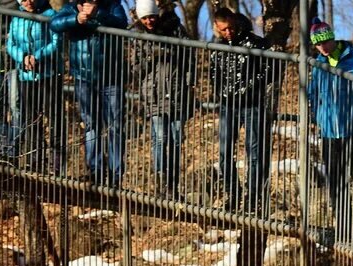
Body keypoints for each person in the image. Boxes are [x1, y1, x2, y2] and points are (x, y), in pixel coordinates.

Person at [307, 18, 353, 238]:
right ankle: (344, 229)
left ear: (332, 38)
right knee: (336, 181)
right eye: (318, 45)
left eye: (325, 42)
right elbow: (313, 94)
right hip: (329, 133)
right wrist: (317, 117)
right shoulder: (319, 64)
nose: (323, 47)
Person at [50, 0, 128, 187]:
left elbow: (122, 23)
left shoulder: (112, 5)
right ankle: (96, 171)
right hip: (83, 76)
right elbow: (54, 23)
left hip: (112, 76)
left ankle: (116, 175)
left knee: (115, 126)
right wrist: (76, 19)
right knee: (91, 124)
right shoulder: (71, 6)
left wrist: (98, 15)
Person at [210, 8, 275, 213]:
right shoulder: (218, 46)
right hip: (228, 105)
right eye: (222, 30)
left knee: (253, 153)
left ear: (234, 22)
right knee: (224, 152)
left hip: (252, 104)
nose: (227, 33)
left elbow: (271, 67)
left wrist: (253, 85)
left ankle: (252, 197)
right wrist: (220, 90)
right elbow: (214, 72)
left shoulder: (255, 42)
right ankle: (233, 192)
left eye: (229, 28)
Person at [130, 0, 195, 199]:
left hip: (176, 92)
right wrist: (152, 58)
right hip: (154, 95)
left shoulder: (175, 29)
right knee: (160, 139)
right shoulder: (138, 36)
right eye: (145, 17)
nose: (149, 21)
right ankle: (161, 183)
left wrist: (189, 81)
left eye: (152, 16)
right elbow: (135, 68)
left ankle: (173, 186)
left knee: (175, 141)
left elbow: (190, 55)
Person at [7, 0, 64, 174]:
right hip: (26, 76)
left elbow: (57, 42)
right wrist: (23, 57)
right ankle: (35, 161)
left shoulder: (50, 15)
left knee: (54, 119)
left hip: (49, 75)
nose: (29, 1)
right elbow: (11, 44)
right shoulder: (16, 18)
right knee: (31, 120)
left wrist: (37, 57)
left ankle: (56, 165)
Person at [0, 1, 20, 161]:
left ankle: (12, 151)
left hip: (14, 62)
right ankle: (2, 149)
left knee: (15, 106)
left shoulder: (16, 3)